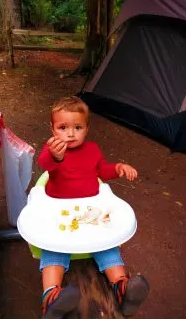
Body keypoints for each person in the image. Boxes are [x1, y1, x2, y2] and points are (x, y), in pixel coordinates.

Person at [37, 96, 149, 318]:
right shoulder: (53, 151)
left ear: (87, 128)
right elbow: (44, 164)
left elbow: (102, 171)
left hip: (90, 212)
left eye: (77, 127)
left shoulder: (93, 150)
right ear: (53, 129)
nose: (70, 133)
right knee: (53, 246)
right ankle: (51, 298)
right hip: (58, 212)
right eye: (63, 127)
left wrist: (117, 167)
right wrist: (55, 156)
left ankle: (122, 288)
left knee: (108, 245)